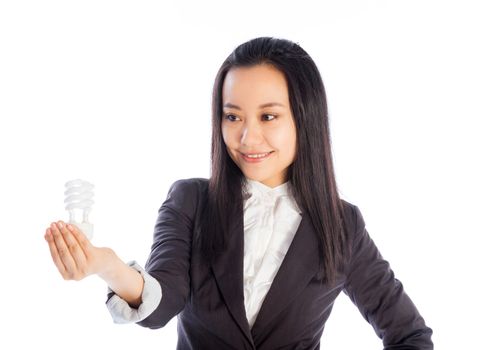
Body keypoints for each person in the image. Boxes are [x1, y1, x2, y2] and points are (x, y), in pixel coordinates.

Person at [44, 36, 433, 349]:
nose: (248, 137)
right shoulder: (190, 201)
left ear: (305, 118)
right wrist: (107, 267)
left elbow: (410, 336)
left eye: (268, 116)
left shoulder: (342, 225)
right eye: (233, 116)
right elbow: (161, 304)